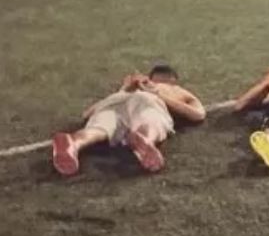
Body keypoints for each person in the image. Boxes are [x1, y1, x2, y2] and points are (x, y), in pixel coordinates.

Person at [51, 65, 206, 177]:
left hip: (115, 101)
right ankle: (145, 139)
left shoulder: (129, 88)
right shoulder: (174, 90)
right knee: (151, 122)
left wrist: (125, 89)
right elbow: (198, 114)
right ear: (174, 81)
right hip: (149, 101)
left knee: (99, 128)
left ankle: (74, 143)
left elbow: (87, 114)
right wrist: (158, 94)